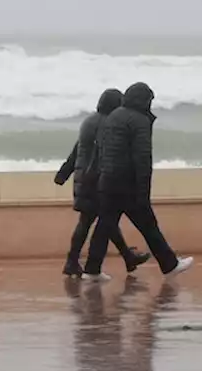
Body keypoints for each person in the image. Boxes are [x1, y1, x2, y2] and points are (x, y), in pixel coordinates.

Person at [82, 81, 194, 281]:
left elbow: (100, 150)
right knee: (148, 225)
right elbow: (143, 159)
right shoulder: (140, 121)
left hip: (107, 181)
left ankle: (92, 270)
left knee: (104, 226)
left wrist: (95, 178)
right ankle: (170, 265)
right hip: (128, 184)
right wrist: (144, 192)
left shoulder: (113, 116)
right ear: (144, 101)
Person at [55, 88, 151, 277]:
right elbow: (105, 154)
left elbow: (77, 151)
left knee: (101, 221)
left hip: (83, 178)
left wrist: (64, 173)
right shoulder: (108, 124)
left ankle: (126, 257)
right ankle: (72, 261)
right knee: (99, 221)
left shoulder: (88, 121)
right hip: (97, 179)